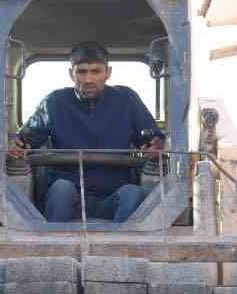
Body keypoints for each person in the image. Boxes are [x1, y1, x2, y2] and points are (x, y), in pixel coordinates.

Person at [10, 41, 164, 223]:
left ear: (108, 73)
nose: (89, 79)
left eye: (96, 71)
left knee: (133, 193)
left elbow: (151, 139)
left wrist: (155, 147)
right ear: (71, 74)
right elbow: (28, 138)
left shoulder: (127, 99)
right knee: (61, 189)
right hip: (70, 197)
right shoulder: (54, 102)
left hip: (113, 197)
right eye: (82, 72)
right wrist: (19, 147)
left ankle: (123, 241)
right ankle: (54, 239)